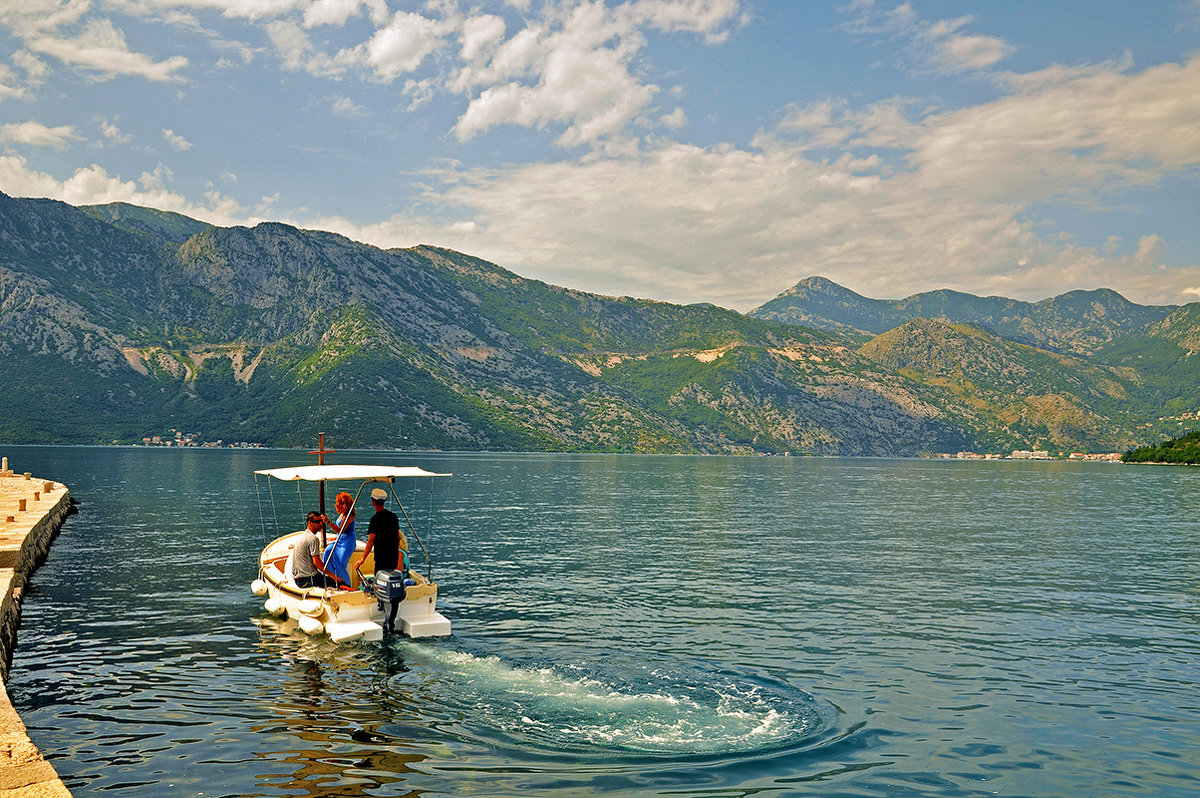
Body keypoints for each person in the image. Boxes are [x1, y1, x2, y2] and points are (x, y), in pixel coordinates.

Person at [288, 511, 347, 589]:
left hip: (299, 579)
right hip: (308, 579)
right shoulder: (313, 539)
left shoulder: (301, 537)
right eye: (317, 522)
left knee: (324, 578)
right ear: (310, 523)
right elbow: (317, 562)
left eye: (321, 521)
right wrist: (332, 575)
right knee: (342, 584)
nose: (321, 524)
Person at [355, 488, 408, 574]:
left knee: (380, 579)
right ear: (384, 501)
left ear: (373, 502)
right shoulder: (394, 517)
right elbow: (397, 535)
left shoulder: (375, 519)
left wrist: (362, 559)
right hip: (393, 557)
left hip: (381, 558)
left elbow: (371, 541)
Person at [321, 491, 356, 587]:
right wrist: (334, 537)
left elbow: (341, 530)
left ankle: (346, 584)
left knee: (340, 563)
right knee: (328, 551)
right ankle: (331, 579)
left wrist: (328, 522)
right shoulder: (343, 514)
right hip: (341, 539)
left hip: (348, 542)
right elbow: (340, 532)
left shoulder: (349, 515)